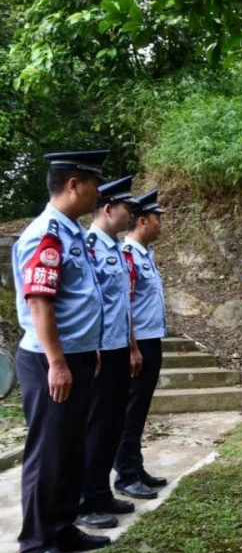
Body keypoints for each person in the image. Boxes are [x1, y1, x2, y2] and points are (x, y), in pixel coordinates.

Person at [12, 149, 112, 553]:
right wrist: (57, 363)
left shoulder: (71, 232)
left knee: (71, 449)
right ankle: (37, 543)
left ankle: (64, 526)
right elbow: (39, 304)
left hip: (77, 356)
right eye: (93, 185)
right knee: (49, 452)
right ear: (74, 184)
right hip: (51, 361)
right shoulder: (45, 235)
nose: (97, 195)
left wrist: (89, 353)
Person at [77, 176, 142, 530]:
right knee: (95, 425)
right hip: (99, 350)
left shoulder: (117, 248)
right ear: (108, 209)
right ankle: (85, 499)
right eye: (126, 208)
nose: (130, 214)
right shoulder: (88, 246)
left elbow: (123, 304)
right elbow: (88, 303)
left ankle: (101, 492)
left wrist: (132, 345)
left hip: (119, 347)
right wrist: (96, 347)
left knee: (112, 424)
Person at [114, 189, 167, 499]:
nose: (161, 226)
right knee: (130, 410)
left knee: (140, 409)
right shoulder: (128, 256)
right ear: (143, 221)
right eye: (158, 220)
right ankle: (126, 475)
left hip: (151, 340)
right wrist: (132, 347)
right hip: (137, 344)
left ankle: (135, 465)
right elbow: (125, 304)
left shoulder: (145, 255)